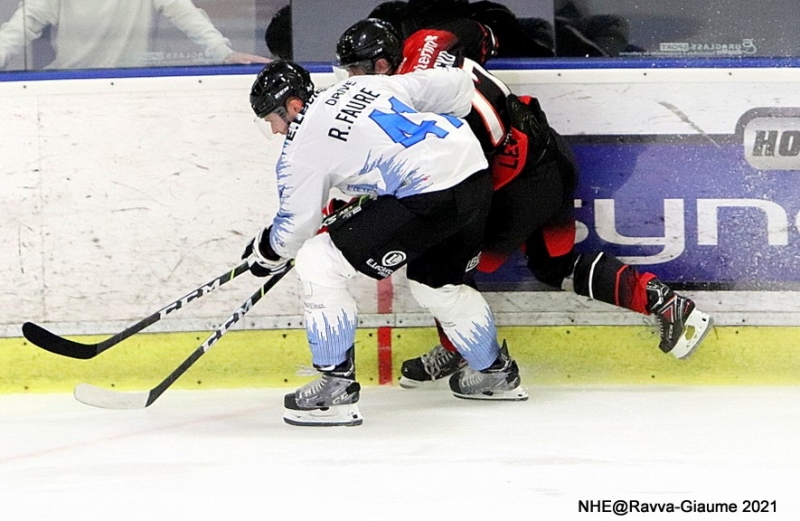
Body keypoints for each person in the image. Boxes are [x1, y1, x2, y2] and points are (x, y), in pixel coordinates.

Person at [334, 18, 713, 389]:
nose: (350, 79)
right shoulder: (428, 39)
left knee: (441, 260)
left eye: (355, 69)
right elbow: (481, 33)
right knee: (555, 265)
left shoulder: (413, 106)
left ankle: (463, 349)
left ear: (380, 65)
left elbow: (444, 185)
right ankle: (666, 304)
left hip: (516, 188)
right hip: (548, 155)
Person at [244, 60, 529, 427]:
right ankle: (495, 374)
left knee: (317, 260)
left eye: (273, 119)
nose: (276, 130)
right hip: (472, 174)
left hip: (429, 193)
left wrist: (266, 254)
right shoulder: (362, 85)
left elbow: (296, 228)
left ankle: (336, 388)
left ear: (293, 106)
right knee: (436, 285)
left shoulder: (301, 147)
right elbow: (457, 84)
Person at [0, 0, 270, 70]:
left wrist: (223, 52)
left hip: (130, 85)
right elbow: (26, 21)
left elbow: (184, 12)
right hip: (66, 82)